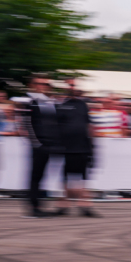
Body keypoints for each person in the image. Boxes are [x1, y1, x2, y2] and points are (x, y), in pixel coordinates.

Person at [22, 74, 63, 218]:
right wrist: (36, 143)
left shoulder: (51, 102)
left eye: (46, 84)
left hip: (53, 143)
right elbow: (25, 124)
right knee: (36, 175)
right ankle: (33, 207)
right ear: (32, 85)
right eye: (39, 83)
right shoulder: (28, 101)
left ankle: (42, 205)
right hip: (39, 144)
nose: (43, 87)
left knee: (46, 175)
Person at [56, 79, 98, 217]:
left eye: (75, 86)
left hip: (83, 147)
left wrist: (92, 146)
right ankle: (64, 205)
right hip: (66, 147)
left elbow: (89, 126)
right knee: (66, 178)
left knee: (82, 178)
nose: (73, 88)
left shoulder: (83, 105)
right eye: (71, 86)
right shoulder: (60, 105)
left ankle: (85, 205)